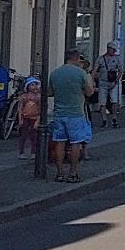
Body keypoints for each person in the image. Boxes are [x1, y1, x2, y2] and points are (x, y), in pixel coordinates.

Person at [47, 51, 94, 180]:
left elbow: (50, 92)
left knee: (59, 142)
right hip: (76, 113)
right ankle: (72, 173)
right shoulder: (81, 73)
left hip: (59, 113)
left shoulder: (55, 73)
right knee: (75, 143)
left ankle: (59, 173)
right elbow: (89, 92)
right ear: (77, 59)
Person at [97, 44, 123, 125]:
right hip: (103, 83)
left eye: (115, 50)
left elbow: (121, 70)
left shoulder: (117, 59)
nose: (114, 52)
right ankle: (104, 119)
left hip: (113, 83)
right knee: (102, 102)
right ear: (108, 49)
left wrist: (116, 80)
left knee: (114, 101)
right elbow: (95, 69)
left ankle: (114, 117)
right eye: (113, 50)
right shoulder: (100, 59)